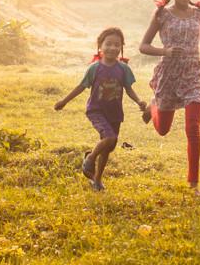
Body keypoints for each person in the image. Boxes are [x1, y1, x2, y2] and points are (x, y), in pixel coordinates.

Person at [139, 0, 200, 198]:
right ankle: (154, 104)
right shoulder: (162, 15)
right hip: (169, 74)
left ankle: (194, 184)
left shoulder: (199, 15)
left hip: (192, 73)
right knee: (163, 129)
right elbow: (144, 46)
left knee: (193, 127)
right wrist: (165, 51)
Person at [54, 27, 147, 191]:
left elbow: (128, 89)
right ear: (100, 46)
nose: (112, 48)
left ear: (121, 47)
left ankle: (97, 181)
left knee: (108, 147)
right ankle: (89, 158)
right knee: (109, 138)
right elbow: (81, 87)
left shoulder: (123, 69)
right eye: (108, 44)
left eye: (117, 45)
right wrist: (64, 101)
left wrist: (139, 101)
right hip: (96, 110)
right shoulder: (94, 68)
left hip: (115, 113)